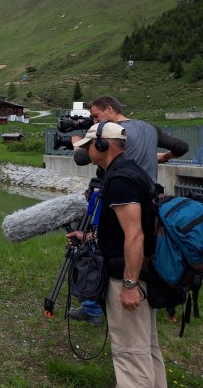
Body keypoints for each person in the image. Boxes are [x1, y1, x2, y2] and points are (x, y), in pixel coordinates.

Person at [68, 95, 188, 324]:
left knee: (98, 249)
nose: (94, 122)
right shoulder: (148, 127)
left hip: (119, 195)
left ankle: (93, 305)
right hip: (149, 199)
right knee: (144, 249)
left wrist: (76, 144)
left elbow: (83, 159)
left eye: (96, 116)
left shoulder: (111, 133)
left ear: (110, 110)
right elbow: (182, 147)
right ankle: (154, 299)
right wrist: (163, 157)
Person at [68, 121, 166, 388]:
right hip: (143, 270)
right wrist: (88, 237)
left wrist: (129, 285)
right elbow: (126, 231)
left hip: (129, 274)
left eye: (89, 145)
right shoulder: (129, 172)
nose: (87, 151)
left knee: (130, 353)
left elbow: (135, 235)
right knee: (146, 346)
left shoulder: (120, 180)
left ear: (103, 145)